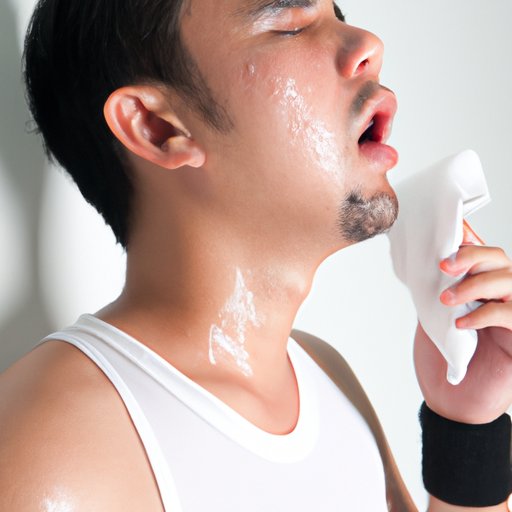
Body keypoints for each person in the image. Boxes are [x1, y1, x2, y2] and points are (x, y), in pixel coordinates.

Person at [1, 0, 511, 510]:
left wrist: (468, 426)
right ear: (157, 127)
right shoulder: (47, 453)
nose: (368, 45)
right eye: (290, 24)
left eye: (336, 14)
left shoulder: (323, 377)